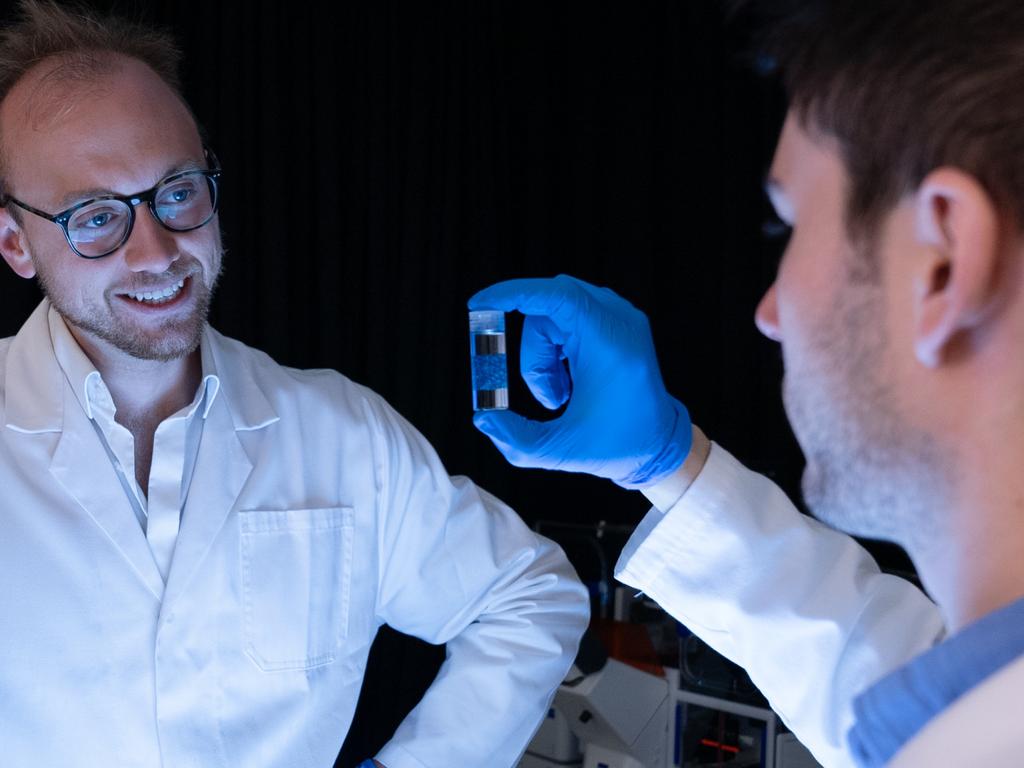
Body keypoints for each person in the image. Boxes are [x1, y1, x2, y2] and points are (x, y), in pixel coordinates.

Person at [0, 2, 588, 767]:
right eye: (96, 216)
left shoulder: (341, 433)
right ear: (16, 242)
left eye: (177, 192)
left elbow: (530, 597)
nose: (156, 252)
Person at [470, 0, 1024, 765]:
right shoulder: (972, 701)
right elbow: (880, 670)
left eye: (788, 224)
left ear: (943, 261)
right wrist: (669, 463)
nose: (769, 314)